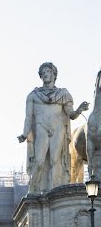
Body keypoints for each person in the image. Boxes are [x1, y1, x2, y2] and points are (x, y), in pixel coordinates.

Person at [17, 62, 89, 193]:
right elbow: (28, 118)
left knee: (55, 161)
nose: (45, 74)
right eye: (43, 73)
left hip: (58, 129)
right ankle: (33, 190)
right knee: (39, 161)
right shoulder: (33, 95)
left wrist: (79, 109)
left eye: (48, 72)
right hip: (41, 128)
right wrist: (24, 133)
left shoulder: (63, 94)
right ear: (40, 76)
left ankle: (54, 193)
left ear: (54, 74)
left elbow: (71, 115)